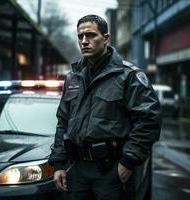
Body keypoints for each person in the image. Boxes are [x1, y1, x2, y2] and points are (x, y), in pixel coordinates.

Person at [49, 14, 161, 200]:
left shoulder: (128, 76)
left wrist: (128, 160)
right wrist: (59, 164)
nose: (84, 41)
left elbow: (149, 119)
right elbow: (63, 122)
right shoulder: (73, 77)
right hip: (77, 170)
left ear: (106, 38)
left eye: (91, 35)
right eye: (80, 36)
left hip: (112, 171)